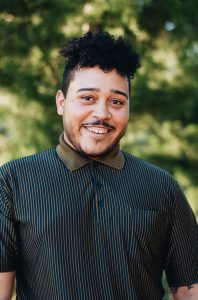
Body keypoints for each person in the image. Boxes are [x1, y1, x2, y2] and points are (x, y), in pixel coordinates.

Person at [0, 32, 197, 300]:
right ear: (61, 102)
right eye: (88, 98)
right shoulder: (12, 182)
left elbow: (190, 290)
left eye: (116, 101)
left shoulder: (164, 188)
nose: (102, 113)